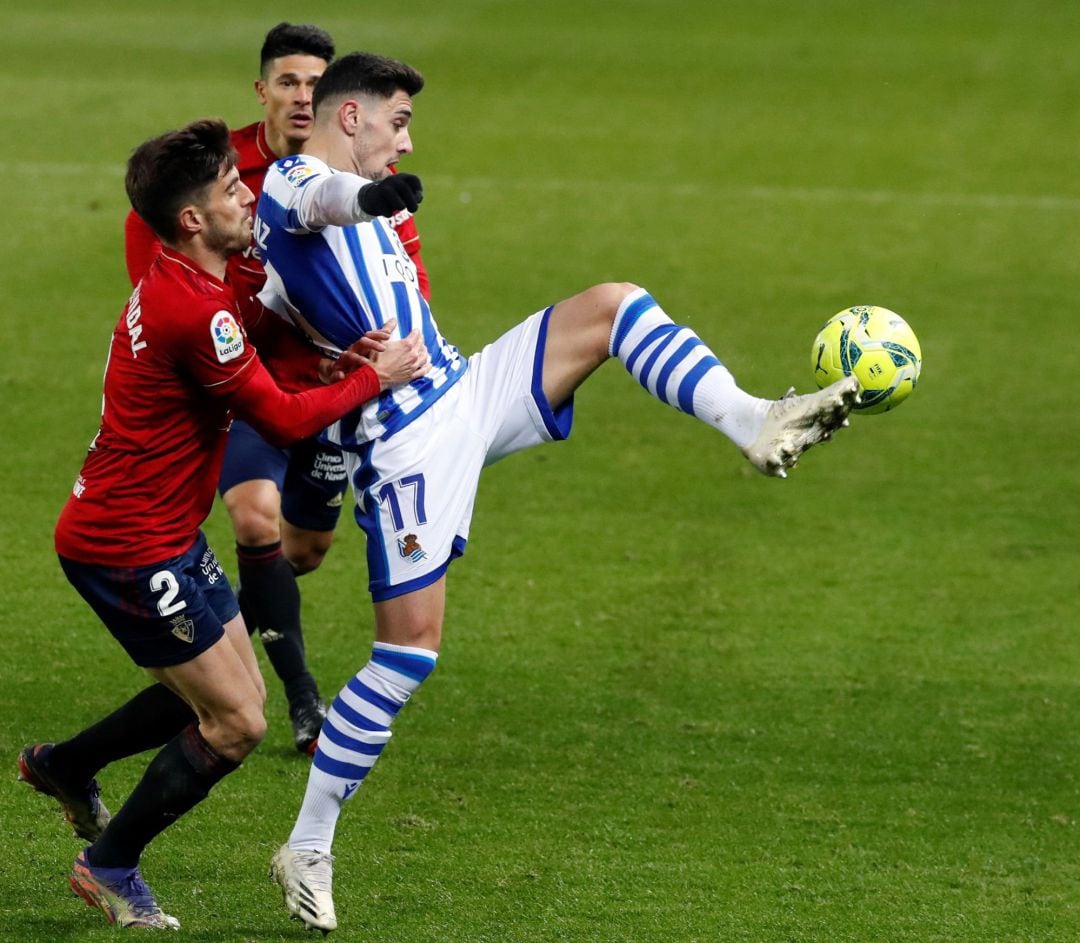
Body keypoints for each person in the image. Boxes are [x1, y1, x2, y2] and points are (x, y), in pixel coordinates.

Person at [256, 52, 860, 934]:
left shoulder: (353, 189)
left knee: (615, 305)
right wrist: (375, 201)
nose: (408, 139)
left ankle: (756, 419)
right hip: (404, 443)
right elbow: (321, 203)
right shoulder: (295, 181)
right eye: (396, 121)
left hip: (461, 389)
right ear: (349, 118)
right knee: (408, 657)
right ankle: (307, 842)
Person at [18, 117, 429, 930]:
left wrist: (336, 359)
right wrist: (372, 377)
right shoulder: (190, 308)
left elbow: (265, 331)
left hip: (160, 532)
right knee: (238, 720)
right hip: (126, 547)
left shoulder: (205, 278)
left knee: (209, 693)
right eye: (232, 190)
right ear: (193, 221)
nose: (249, 195)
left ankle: (64, 765)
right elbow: (275, 417)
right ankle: (108, 866)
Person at [124, 22, 434, 754]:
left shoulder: (371, 177)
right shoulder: (208, 176)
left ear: (338, 104)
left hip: (333, 390)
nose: (302, 97)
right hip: (249, 390)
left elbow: (407, 282)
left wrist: (362, 357)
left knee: (303, 549)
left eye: (315, 86)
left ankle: (215, 649)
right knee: (256, 519)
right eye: (288, 82)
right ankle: (300, 697)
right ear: (263, 90)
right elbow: (172, 291)